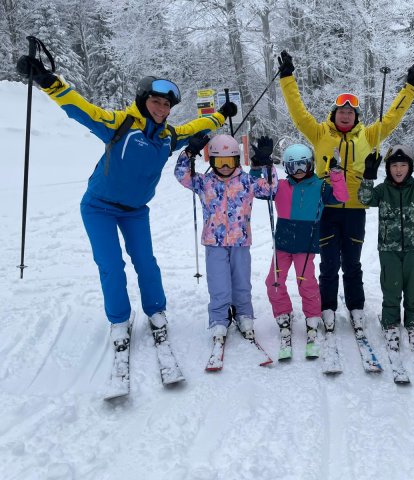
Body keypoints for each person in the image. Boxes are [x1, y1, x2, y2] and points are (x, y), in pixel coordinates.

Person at [15, 52, 236, 355]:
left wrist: (221, 114)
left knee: (146, 262)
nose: (162, 109)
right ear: (143, 100)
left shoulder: (168, 136)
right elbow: (83, 110)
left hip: (135, 212)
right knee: (111, 265)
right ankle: (119, 320)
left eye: (167, 105)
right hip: (99, 207)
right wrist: (48, 81)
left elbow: (196, 126)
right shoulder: (120, 124)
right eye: (156, 101)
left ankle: (156, 311)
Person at [277, 50, 414, 333]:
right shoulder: (319, 133)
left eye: (351, 112)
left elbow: (392, 118)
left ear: (356, 116)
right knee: (329, 263)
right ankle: (327, 306)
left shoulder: (368, 135)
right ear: (334, 114)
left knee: (352, 263)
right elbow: (298, 112)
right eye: (342, 111)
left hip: (356, 208)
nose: (346, 115)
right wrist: (287, 78)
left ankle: (356, 306)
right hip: (325, 208)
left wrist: (410, 88)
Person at [174, 134, 276, 347]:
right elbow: (181, 175)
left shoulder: (247, 181)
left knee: (241, 282)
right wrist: (189, 153)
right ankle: (219, 319)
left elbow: (271, 188)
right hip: (214, 243)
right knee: (218, 283)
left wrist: (265, 163)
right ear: (212, 162)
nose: (226, 167)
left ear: (237, 160)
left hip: (240, 242)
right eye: (220, 162)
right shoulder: (204, 182)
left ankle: (244, 314)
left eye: (230, 161)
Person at [252, 143, 349, 359]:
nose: (298, 170)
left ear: (310, 164)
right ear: (286, 167)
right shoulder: (279, 186)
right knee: (273, 281)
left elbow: (342, 197)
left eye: (302, 165)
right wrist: (258, 167)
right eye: (293, 166)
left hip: (306, 244)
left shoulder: (320, 187)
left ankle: (312, 318)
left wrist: (336, 174)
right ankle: (283, 314)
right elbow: (257, 189)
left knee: (307, 283)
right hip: (283, 243)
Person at [358, 145, 414, 353]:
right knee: (391, 287)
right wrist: (368, 176)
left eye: (403, 165)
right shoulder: (382, 190)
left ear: (410, 167)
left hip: (412, 248)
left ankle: (413, 324)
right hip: (388, 249)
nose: (398, 170)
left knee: (413, 288)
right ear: (388, 168)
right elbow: (364, 198)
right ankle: (390, 323)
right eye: (394, 165)